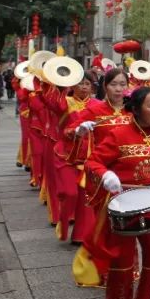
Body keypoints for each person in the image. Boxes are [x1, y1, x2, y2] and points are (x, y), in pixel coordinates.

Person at [85, 86, 150, 299]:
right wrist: (106, 175)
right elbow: (93, 161)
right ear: (136, 109)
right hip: (123, 206)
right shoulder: (118, 134)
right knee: (122, 264)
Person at [70, 67, 135, 286]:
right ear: (105, 86)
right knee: (104, 223)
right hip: (103, 174)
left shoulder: (132, 110)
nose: (118, 89)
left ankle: (128, 266)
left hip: (129, 175)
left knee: (129, 223)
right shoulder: (94, 110)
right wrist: (79, 129)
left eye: (122, 84)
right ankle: (100, 269)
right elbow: (69, 130)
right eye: (114, 84)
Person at [48, 72, 95, 243]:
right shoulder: (65, 102)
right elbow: (53, 104)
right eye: (81, 83)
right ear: (73, 85)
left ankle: (81, 235)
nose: (84, 87)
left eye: (87, 84)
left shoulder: (97, 105)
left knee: (86, 199)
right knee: (70, 193)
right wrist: (61, 85)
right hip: (66, 155)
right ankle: (63, 220)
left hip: (87, 157)